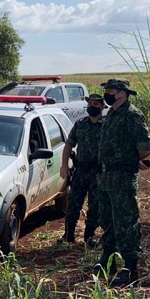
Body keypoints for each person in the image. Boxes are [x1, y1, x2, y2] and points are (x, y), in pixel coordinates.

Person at [90, 78, 150, 287]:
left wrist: (131, 158)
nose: (107, 94)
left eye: (110, 91)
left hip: (122, 178)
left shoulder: (132, 115)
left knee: (126, 222)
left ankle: (130, 268)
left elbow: (145, 148)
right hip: (106, 178)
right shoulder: (112, 114)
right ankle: (108, 260)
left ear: (122, 94)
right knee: (108, 221)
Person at [60, 93, 106, 246]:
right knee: (73, 203)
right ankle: (68, 234)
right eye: (90, 104)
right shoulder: (80, 124)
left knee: (95, 206)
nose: (92, 107)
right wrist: (64, 165)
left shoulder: (107, 126)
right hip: (80, 171)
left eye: (96, 104)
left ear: (102, 106)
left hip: (98, 173)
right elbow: (69, 144)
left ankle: (89, 236)